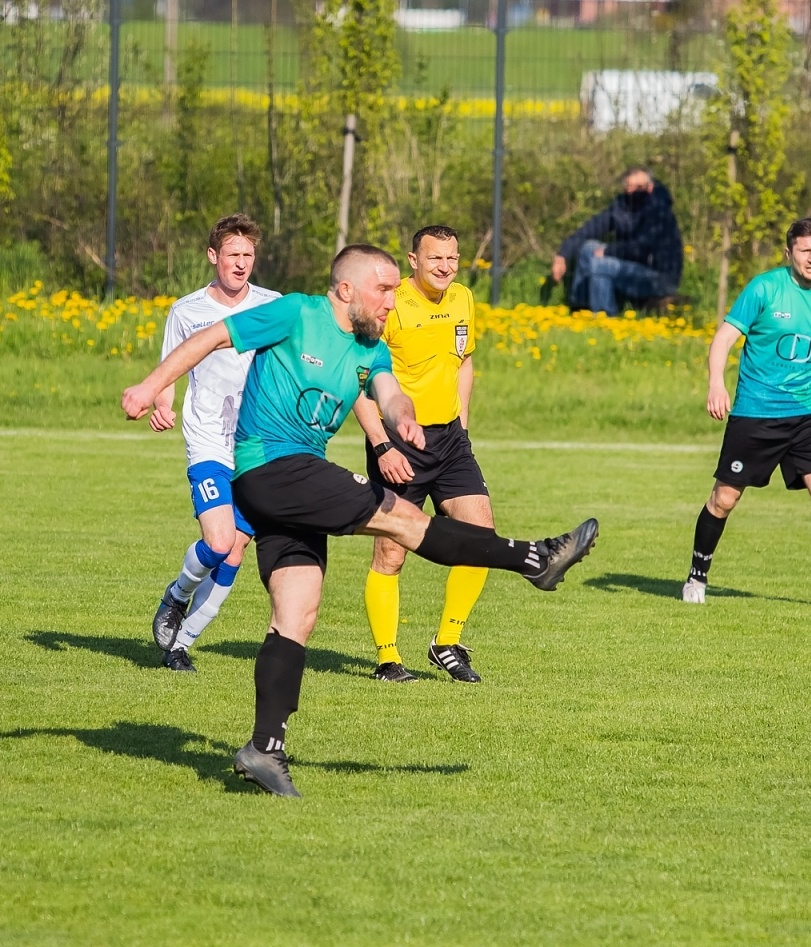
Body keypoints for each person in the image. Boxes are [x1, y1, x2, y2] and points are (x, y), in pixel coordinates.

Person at [122, 245, 599, 798]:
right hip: (272, 468)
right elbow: (210, 338)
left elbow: (390, 395)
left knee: (296, 613)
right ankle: (533, 558)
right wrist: (151, 385)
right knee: (402, 521)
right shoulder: (297, 313)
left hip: (289, 485)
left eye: (397, 290)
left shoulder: (369, 348)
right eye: (384, 289)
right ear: (346, 289)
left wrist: (405, 422)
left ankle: (263, 749)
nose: (393, 301)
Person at [681, 217, 811, 610]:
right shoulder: (765, 288)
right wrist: (716, 382)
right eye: (805, 251)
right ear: (789, 254)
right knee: (724, 499)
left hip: (808, 414)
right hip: (756, 414)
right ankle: (697, 576)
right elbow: (724, 338)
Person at [353, 225, 491, 684]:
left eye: (452, 259)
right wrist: (382, 443)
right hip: (401, 444)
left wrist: (463, 425)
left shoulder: (463, 298)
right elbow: (358, 380)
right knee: (392, 553)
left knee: (481, 538)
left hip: (451, 440)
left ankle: (447, 643)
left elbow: (464, 360)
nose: (445, 267)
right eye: (435, 259)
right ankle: (388, 659)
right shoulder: (391, 303)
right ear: (413, 260)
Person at [149, 214, 282, 672]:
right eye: (233, 255)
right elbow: (171, 364)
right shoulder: (187, 311)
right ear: (213, 256)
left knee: (237, 549)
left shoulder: (272, 305)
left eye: (248, 255)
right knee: (220, 540)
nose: (241, 263)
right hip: (207, 437)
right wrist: (162, 402)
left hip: (256, 445)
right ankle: (177, 595)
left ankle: (181, 644)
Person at [551, 167, 682, 316]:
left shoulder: (659, 210)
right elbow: (589, 229)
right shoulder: (621, 206)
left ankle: (605, 318)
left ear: (650, 187)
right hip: (631, 265)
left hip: (659, 276)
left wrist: (609, 252)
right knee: (588, 248)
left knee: (599, 265)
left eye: (639, 187)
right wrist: (562, 254)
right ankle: (580, 310)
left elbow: (642, 248)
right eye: (629, 187)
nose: (633, 191)